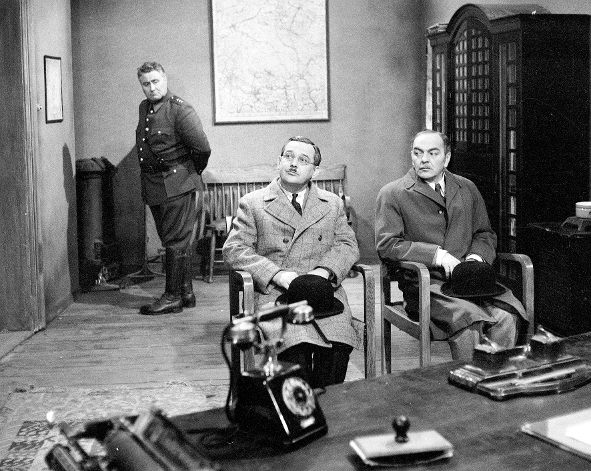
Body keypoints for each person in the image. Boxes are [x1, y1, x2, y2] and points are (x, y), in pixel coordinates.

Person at [375, 129, 531, 359]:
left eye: (432, 153)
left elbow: (484, 234)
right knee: (469, 320)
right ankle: (467, 378)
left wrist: (475, 259)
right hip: (426, 286)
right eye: (418, 153)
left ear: (446, 158)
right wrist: (437, 256)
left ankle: (495, 377)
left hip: (470, 282)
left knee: (507, 315)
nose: (424, 159)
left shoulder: (467, 188)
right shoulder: (393, 193)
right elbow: (388, 245)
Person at [222, 136, 362, 388]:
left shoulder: (332, 203)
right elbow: (234, 249)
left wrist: (323, 272)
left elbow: (347, 244)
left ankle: (329, 405)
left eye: (303, 160)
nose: (293, 163)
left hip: (323, 293)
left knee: (338, 345)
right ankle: (297, 406)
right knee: (295, 346)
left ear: (314, 171)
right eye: (288, 156)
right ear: (279, 162)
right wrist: (277, 275)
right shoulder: (253, 203)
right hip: (275, 294)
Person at [135, 61, 211, 315]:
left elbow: (202, 149)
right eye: (146, 84)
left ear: (165, 80)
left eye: (155, 81)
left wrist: (189, 175)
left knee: (176, 240)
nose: (152, 88)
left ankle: (172, 297)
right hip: (155, 186)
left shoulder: (180, 109)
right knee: (173, 240)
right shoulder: (144, 108)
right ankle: (186, 293)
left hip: (177, 184)